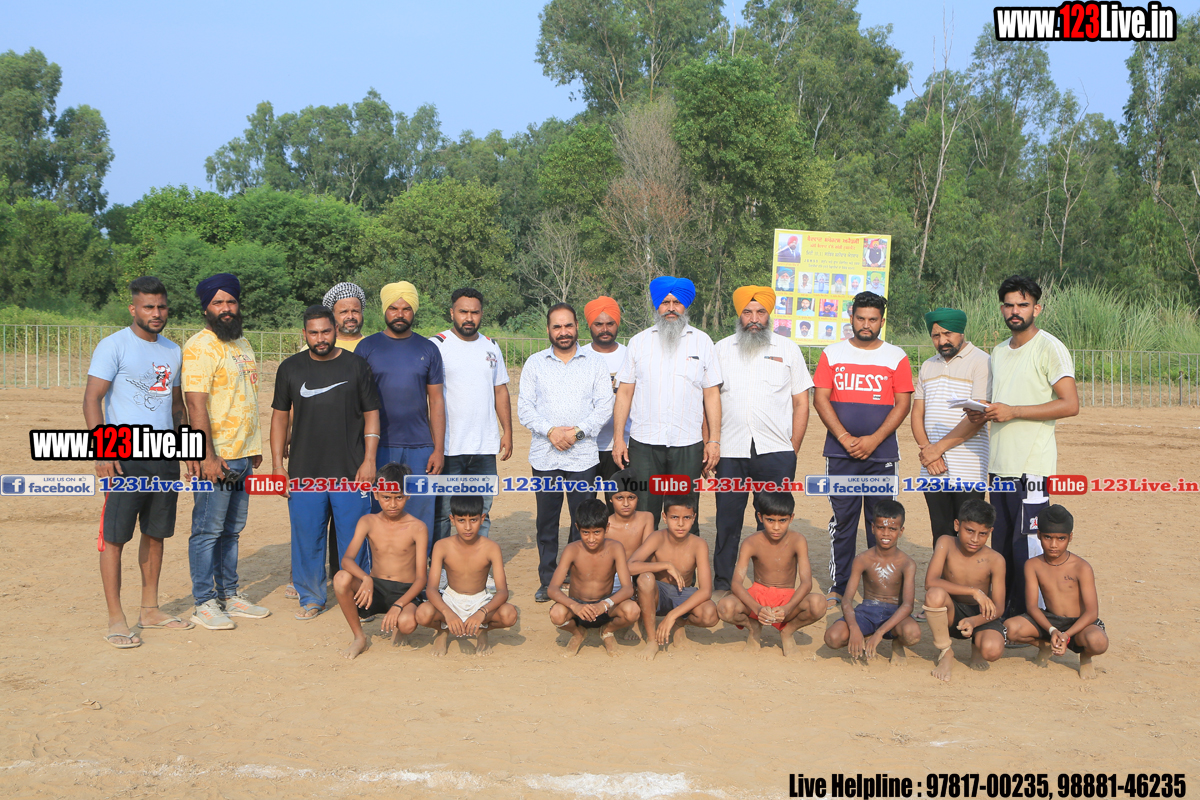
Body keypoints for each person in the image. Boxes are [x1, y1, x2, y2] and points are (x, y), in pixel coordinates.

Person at [84, 276, 191, 648]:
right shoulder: (113, 345)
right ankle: (116, 618)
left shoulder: (173, 351)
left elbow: (176, 406)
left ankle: (150, 610)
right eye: (149, 307)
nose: (156, 313)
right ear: (133, 308)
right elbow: (92, 399)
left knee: (156, 533)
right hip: (124, 456)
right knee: (115, 537)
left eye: (161, 306)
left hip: (164, 456)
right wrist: (102, 450)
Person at [966, 276, 1078, 617]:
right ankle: (1003, 615)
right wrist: (982, 412)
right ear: (1002, 309)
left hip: (1031, 470)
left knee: (1028, 547)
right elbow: (1000, 402)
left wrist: (1013, 411)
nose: (1016, 311)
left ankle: (1033, 620)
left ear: (1036, 309)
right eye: (1010, 305)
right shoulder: (999, 352)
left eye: (1023, 305)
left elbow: (1070, 403)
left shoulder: (1049, 348)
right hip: (999, 467)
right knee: (1001, 545)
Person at [271, 305, 380, 621]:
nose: (321, 338)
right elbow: (279, 419)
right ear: (304, 334)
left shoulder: (356, 366)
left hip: (351, 471)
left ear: (335, 330)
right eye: (314, 333)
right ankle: (311, 597)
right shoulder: (290, 368)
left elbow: (372, 414)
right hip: (305, 472)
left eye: (326, 331)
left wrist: (369, 460)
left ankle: (360, 598)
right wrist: (278, 466)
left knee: (354, 540)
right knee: (307, 538)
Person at [813, 292, 913, 609]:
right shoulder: (832, 354)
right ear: (851, 318)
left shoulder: (896, 356)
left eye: (872, 319)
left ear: (882, 321)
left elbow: (903, 404)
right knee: (843, 522)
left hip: (881, 456)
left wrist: (874, 439)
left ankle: (878, 588)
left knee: (881, 522)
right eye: (860, 318)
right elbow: (820, 398)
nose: (866, 324)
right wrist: (844, 437)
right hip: (840, 454)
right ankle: (840, 585)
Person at [182, 272, 270, 630]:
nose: (226, 308)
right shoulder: (199, 347)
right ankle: (204, 602)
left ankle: (229, 595)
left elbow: (246, 397)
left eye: (231, 301)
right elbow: (195, 405)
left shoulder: (243, 344)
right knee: (207, 530)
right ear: (206, 308)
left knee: (232, 530)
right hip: (216, 458)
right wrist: (206, 455)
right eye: (218, 302)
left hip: (242, 455)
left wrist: (254, 446)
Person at [712, 286, 812, 593]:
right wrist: (710, 443)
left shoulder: (788, 349)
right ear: (739, 315)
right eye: (747, 312)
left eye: (760, 312)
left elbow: (801, 402)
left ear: (769, 315)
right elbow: (709, 400)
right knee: (727, 519)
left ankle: (768, 584)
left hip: (776, 451)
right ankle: (723, 584)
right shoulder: (721, 349)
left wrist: (793, 447)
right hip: (730, 450)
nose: (754, 319)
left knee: (771, 521)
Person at [518, 303, 613, 603]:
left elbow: (604, 407)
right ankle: (548, 580)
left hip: (582, 457)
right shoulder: (535, 363)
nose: (563, 332)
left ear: (577, 327)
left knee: (582, 520)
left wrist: (576, 433)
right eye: (557, 326)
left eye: (568, 325)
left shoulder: (595, 364)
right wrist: (551, 432)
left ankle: (577, 576)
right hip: (545, 456)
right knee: (546, 521)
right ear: (548, 330)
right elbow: (525, 408)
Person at [611, 276, 722, 529]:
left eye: (677, 302)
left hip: (688, 443)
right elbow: (624, 393)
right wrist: (618, 439)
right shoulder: (639, 342)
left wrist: (713, 441)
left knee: (684, 512)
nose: (671, 308)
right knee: (643, 513)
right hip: (644, 444)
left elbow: (711, 394)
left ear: (685, 306)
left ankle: (684, 557)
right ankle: (644, 557)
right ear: (657, 306)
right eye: (665, 302)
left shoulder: (702, 341)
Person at [355, 282, 445, 548]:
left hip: (420, 447)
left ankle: (420, 569)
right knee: (380, 513)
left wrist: (438, 449)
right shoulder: (367, 347)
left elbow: (436, 401)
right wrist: (364, 453)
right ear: (384, 310)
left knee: (420, 515)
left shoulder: (428, 349)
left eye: (406, 309)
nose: (399, 314)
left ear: (414, 311)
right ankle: (381, 569)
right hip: (379, 446)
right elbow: (357, 403)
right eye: (393, 308)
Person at [431, 287, 512, 542]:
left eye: (474, 312)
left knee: (481, 512)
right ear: (452, 312)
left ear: (481, 314)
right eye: (463, 312)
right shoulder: (436, 345)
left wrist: (507, 431)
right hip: (448, 447)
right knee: (443, 513)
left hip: (484, 447)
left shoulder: (491, 346)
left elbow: (500, 391)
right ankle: (440, 563)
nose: (469, 318)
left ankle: (479, 562)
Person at [911, 308, 990, 552]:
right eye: (936, 336)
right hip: (932, 468)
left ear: (961, 332)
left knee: (970, 534)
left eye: (948, 334)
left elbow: (978, 416)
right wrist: (928, 451)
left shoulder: (982, 361)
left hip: (969, 468)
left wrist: (937, 449)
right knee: (941, 533)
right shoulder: (928, 365)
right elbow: (917, 414)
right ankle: (941, 578)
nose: (942, 341)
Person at [332, 463, 428, 659]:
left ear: (408, 495)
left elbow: (421, 578)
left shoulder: (417, 527)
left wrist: (399, 605)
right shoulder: (368, 521)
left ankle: (399, 623)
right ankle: (359, 637)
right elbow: (347, 560)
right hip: (375, 587)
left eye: (398, 497)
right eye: (386, 497)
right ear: (376, 494)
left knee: (407, 624)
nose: (392, 504)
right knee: (341, 578)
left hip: (405, 590)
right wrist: (365, 578)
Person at [1004, 505, 1107, 679]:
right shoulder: (1033, 565)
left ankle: (1086, 656)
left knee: (1098, 642)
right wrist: (1052, 630)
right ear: (1039, 535)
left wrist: (1066, 635)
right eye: (1047, 537)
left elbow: (1091, 612)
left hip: (1080, 623)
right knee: (1009, 628)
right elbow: (1032, 606)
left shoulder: (1081, 567)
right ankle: (1043, 645)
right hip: (1051, 620)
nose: (1053, 545)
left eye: (1061, 538)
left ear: (1070, 537)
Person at [716, 492, 826, 656]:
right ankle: (753, 627)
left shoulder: (798, 540)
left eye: (782, 520)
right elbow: (736, 584)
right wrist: (757, 608)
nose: (776, 527)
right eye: (770, 520)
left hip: (787, 599)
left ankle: (787, 631)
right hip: (757, 597)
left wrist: (788, 608)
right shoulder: (751, 542)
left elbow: (806, 583)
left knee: (819, 603)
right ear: (760, 517)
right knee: (725, 607)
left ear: (791, 518)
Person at [415, 495, 518, 656]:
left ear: (482, 519)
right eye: (461, 520)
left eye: (473, 520)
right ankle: (443, 631)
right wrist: (448, 613)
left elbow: (502, 591)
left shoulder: (491, 548)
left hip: (480, 600)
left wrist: (482, 612)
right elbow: (432, 589)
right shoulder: (442, 546)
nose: (468, 527)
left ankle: (482, 629)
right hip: (450, 600)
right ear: (452, 519)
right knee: (422, 613)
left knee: (509, 614)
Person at [822, 499, 920, 664]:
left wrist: (880, 633)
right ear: (873, 528)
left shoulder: (907, 563)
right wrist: (854, 628)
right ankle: (865, 634)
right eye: (881, 528)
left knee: (912, 634)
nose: (886, 534)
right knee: (833, 638)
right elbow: (847, 600)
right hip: (867, 611)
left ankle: (896, 642)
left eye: (892, 529)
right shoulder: (862, 559)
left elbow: (908, 605)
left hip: (894, 613)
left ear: (901, 531)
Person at [922, 498, 1007, 682]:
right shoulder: (945, 543)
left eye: (982, 534)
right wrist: (974, 591)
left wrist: (974, 621)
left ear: (990, 532)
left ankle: (977, 647)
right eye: (969, 531)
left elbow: (999, 607)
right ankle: (945, 652)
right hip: (952, 610)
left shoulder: (996, 559)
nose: (975, 539)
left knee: (992, 650)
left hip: (981, 614)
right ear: (957, 525)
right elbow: (930, 582)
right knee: (934, 595)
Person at [627, 497, 719, 660]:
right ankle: (652, 640)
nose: (680, 524)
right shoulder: (657, 538)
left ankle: (678, 622)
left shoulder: (699, 544)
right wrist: (665, 565)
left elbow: (706, 591)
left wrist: (672, 616)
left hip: (682, 593)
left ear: (694, 518)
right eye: (674, 517)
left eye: (687, 517)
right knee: (645, 579)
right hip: (657, 593)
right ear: (664, 517)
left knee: (710, 614)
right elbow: (629, 566)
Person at [547, 499, 640, 657]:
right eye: (585, 532)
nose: (591, 539)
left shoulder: (616, 548)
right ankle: (578, 633)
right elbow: (552, 589)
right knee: (557, 614)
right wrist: (575, 606)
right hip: (577, 608)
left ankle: (607, 631)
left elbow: (627, 588)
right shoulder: (571, 550)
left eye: (597, 532)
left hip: (605, 607)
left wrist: (605, 604)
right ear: (577, 528)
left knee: (632, 611)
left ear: (607, 528)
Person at [579, 296, 629, 484]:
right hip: (584, 445)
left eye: (610, 324)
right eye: (598, 324)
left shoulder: (630, 355)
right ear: (589, 325)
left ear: (618, 324)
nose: (605, 329)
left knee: (620, 499)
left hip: (623, 444)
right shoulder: (579, 356)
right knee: (584, 500)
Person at [323, 281, 368, 352]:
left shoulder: (375, 346)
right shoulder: (320, 348)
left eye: (355, 311)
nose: (350, 316)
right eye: (344, 312)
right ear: (332, 315)